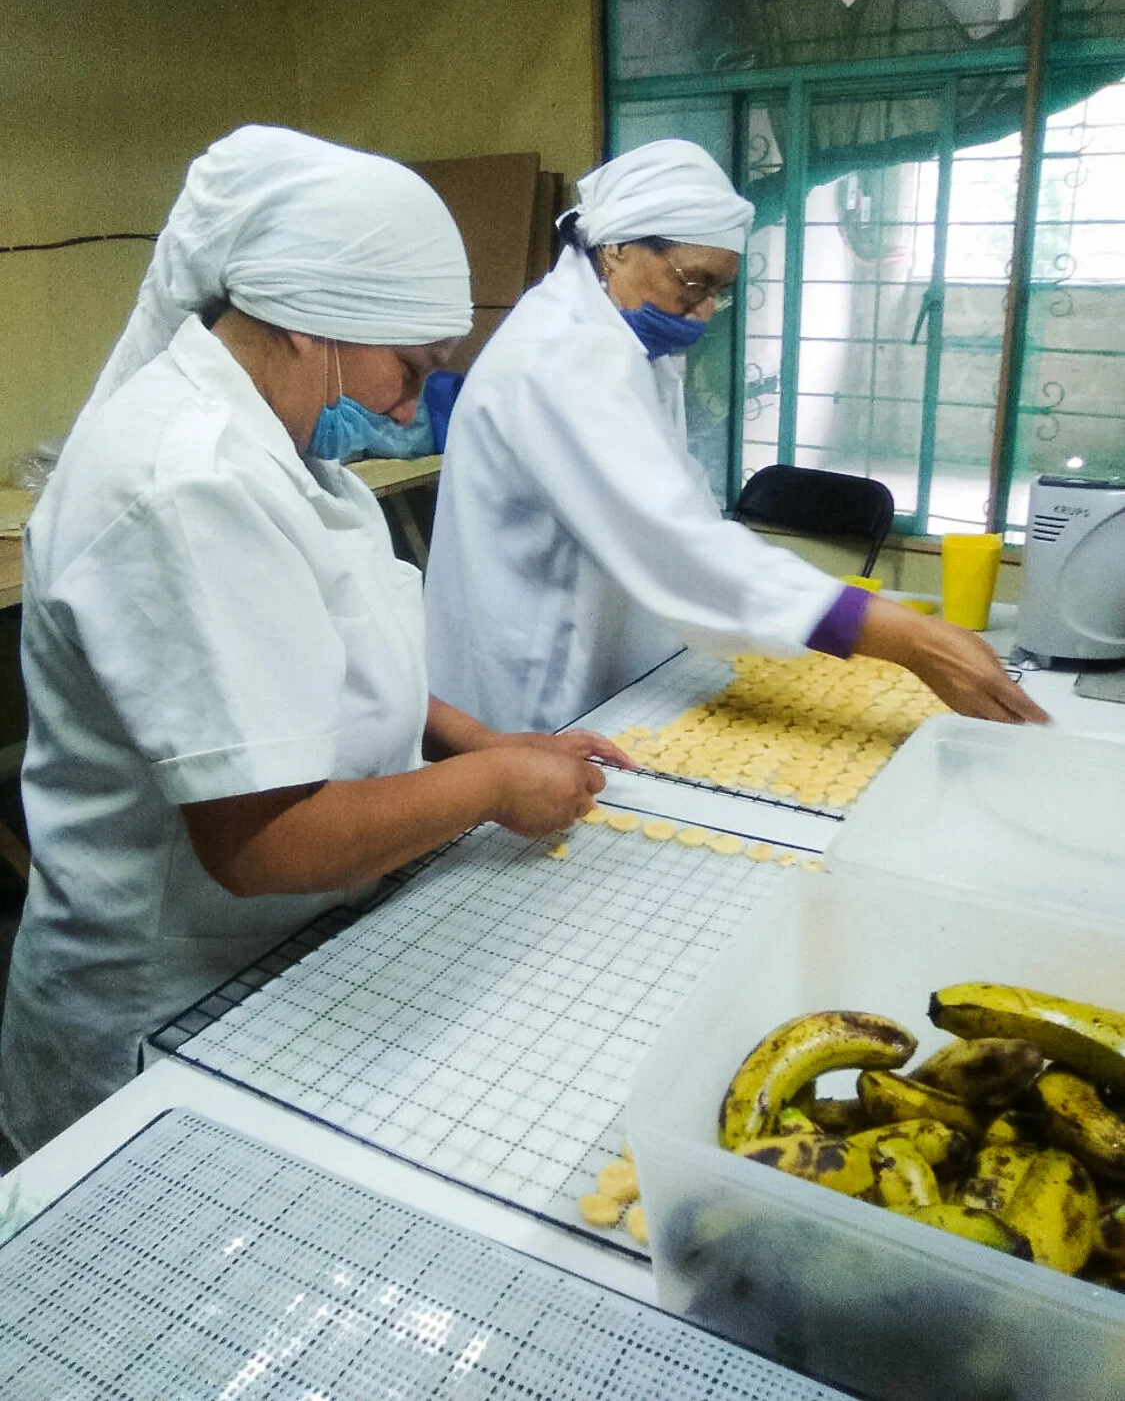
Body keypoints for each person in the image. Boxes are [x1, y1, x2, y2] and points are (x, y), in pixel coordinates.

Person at [1, 125, 624, 1157]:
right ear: (311, 321)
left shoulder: (277, 453)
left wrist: (486, 742)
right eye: (410, 364)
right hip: (165, 1006)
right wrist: (494, 789)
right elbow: (263, 842)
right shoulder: (186, 482)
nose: (410, 401)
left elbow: (325, 664)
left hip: (284, 960)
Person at [424, 138, 1047, 735]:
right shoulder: (559, 357)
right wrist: (904, 637)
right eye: (693, 283)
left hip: (607, 670)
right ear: (614, 248)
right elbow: (677, 543)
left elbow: (685, 506)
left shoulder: (629, 347)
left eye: (718, 292)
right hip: (539, 684)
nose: (701, 313)